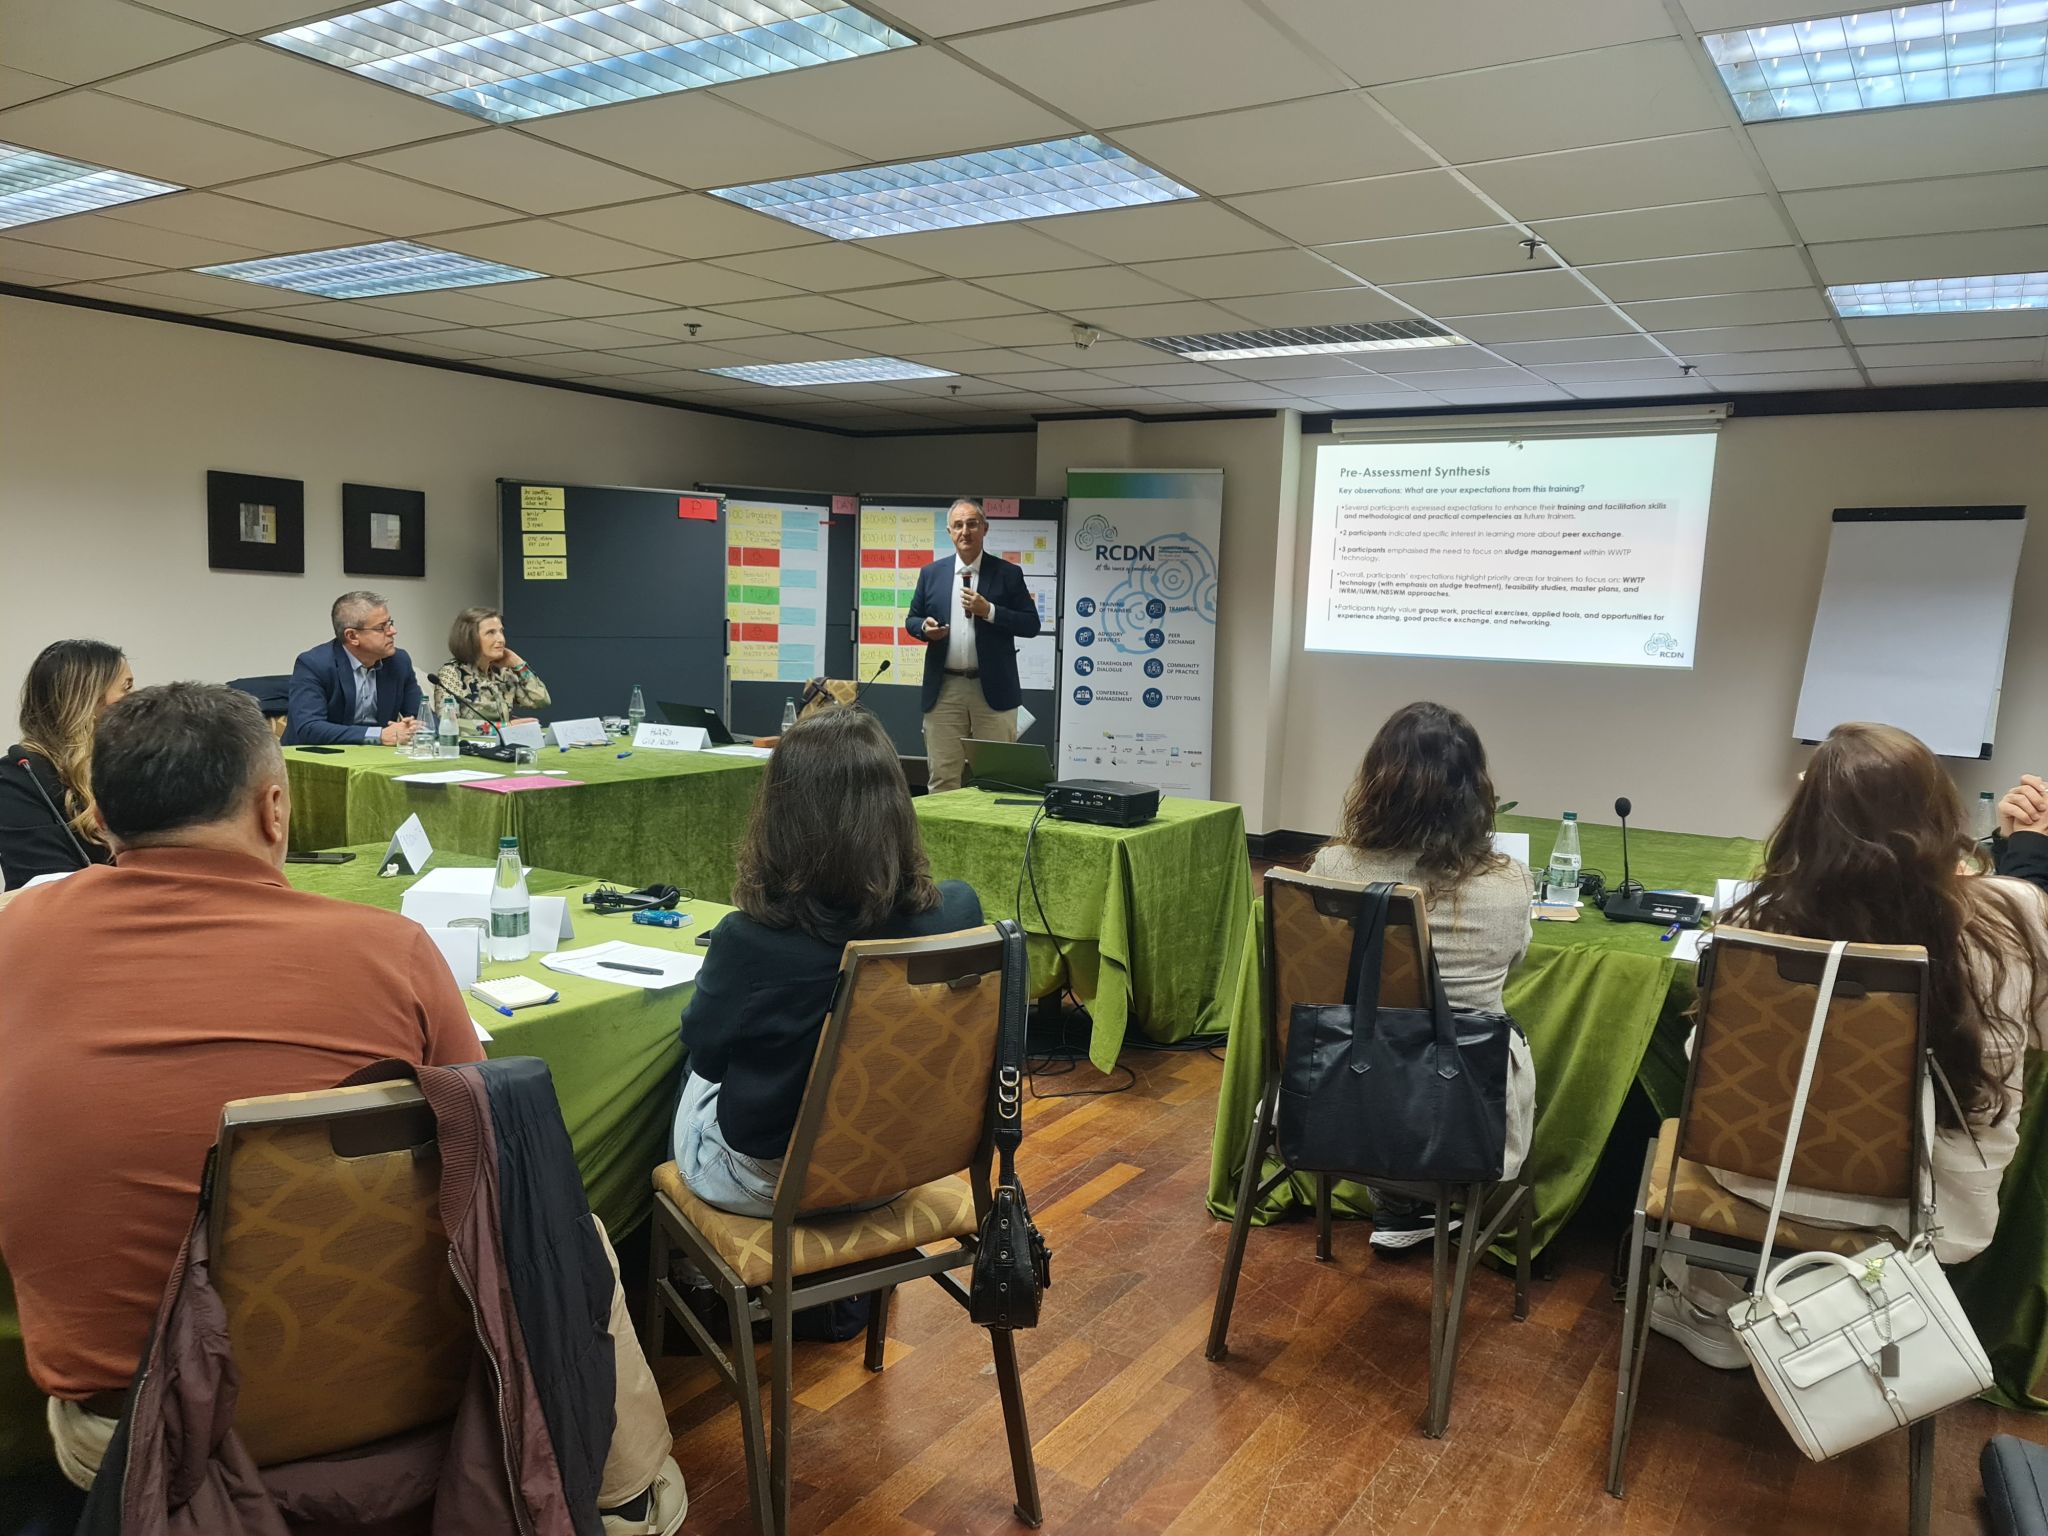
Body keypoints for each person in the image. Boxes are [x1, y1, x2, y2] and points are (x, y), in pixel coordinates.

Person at [0, 683, 684, 1531]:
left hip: (125, 1430)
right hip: (387, 1394)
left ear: (100, 818)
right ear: (274, 809)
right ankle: (624, 1506)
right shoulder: (392, 951)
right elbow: (492, 1169)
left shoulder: (14, 936)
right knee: (569, 1232)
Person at [1651, 723, 2048, 1371]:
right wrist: (2019, 851)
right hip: (1926, 1205)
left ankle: (1713, 1300)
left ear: (1805, 821)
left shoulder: (1754, 924)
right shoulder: (2010, 919)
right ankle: (1879, 1348)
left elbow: (1707, 1064)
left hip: (1757, 1178)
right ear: (1943, 818)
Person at [673, 705, 982, 1215]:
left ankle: (662, 1251)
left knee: (685, 1063)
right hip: (901, 1164)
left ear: (780, 814)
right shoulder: (960, 911)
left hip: (775, 1184)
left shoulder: (747, 942)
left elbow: (706, 1060)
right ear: (897, 806)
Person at [1308, 701, 1534, 1252]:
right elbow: (1514, 963)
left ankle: (1397, 1205)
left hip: (1337, 1089)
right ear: (1475, 790)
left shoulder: (1331, 871)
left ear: (1377, 780)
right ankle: (1422, 1202)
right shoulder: (1510, 882)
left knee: (1383, 1030)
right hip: (1461, 1101)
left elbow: (1317, 975)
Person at [904, 498, 1041, 793]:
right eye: (958, 525)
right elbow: (912, 619)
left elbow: (1031, 625)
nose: (965, 531)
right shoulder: (932, 573)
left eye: (972, 524)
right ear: (949, 532)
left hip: (993, 689)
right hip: (945, 689)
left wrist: (989, 610)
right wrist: (926, 629)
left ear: (984, 529)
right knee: (942, 779)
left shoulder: (1007, 573)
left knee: (997, 781)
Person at [0, 639, 129, 889]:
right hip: (69, 910)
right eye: (127, 688)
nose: (138, 699)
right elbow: (42, 880)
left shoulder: (130, 765)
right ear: (88, 700)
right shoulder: (19, 775)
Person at [284, 589, 422, 746]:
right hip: (317, 755)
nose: (393, 631)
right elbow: (309, 728)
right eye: (381, 627)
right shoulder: (314, 664)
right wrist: (378, 735)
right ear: (352, 636)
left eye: (390, 623)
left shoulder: (398, 662)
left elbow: (422, 715)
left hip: (377, 754)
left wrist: (418, 727)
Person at [431, 605, 551, 728]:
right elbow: (448, 723)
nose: (501, 639)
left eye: (501, 631)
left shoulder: (502, 672)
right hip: (472, 740)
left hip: (506, 739)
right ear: (470, 638)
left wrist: (518, 664)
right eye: (491, 632)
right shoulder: (451, 673)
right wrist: (504, 727)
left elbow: (541, 700)